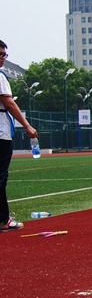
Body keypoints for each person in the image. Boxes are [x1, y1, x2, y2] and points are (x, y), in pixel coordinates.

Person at [0, 40, 38, 231]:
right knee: (0, 177)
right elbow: (9, 103)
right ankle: (2, 219)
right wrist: (27, 126)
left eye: (4, 55)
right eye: (0, 55)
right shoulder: (0, 76)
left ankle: (2, 218)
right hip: (0, 133)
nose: (3, 59)